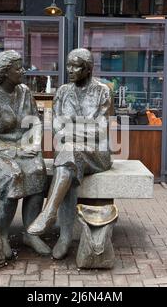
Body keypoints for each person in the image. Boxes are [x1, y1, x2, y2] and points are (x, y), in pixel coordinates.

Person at [27, 48, 113, 259]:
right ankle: (63, 235)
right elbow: (56, 128)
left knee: (67, 155)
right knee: (68, 163)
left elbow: (100, 131)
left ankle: (51, 216)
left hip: (97, 154)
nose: (70, 70)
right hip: (69, 153)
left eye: (76, 66)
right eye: (68, 65)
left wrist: (70, 128)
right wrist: (78, 128)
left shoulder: (103, 91)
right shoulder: (63, 91)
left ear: (89, 68)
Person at [0, 50, 51, 259]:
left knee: (38, 169)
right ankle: (1, 234)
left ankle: (31, 233)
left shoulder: (24, 91)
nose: (22, 70)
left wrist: (34, 143)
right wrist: (19, 151)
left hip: (20, 144)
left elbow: (35, 122)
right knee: (13, 174)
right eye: (18, 68)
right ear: (5, 72)